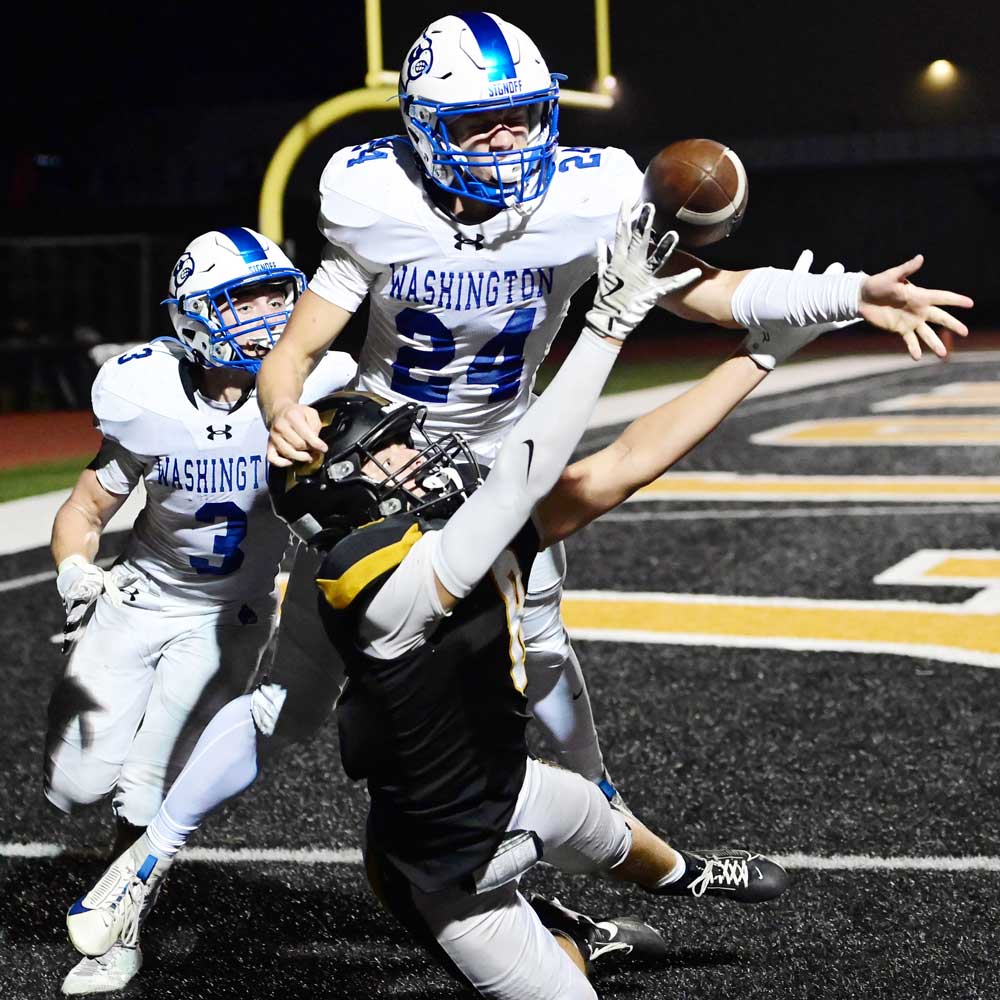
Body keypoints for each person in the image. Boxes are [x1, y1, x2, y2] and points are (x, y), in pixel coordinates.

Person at [65, 204, 971, 998]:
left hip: (516, 787)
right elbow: (534, 465)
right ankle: (566, 931)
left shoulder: (432, 534)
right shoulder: (393, 584)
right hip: (450, 853)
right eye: (390, 456)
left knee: (614, 821)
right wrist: (609, 321)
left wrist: (760, 355)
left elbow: (615, 469)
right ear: (360, 502)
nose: (416, 449)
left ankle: (672, 876)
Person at [257, 10, 971, 811]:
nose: (508, 140)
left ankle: (598, 793)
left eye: (522, 115)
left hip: (505, 452)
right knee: (305, 690)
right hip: (383, 463)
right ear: (427, 132)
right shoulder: (376, 196)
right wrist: (283, 406)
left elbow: (707, 291)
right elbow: (292, 353)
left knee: (546, 648)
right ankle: (155, 850)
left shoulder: (587, 195)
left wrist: (850, 292)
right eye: (480, 123)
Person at [46, 226, 356, 995]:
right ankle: (118, 884)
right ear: (192, 316)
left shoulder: (318, 383)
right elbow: (83, 512)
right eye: (240, 300)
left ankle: (120, 932)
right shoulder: (145, 397)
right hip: (137, 596)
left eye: (275, 296)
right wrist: (77, 572)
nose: (265, 314)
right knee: (75, 786)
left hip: (229, 616)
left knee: (144, 784)